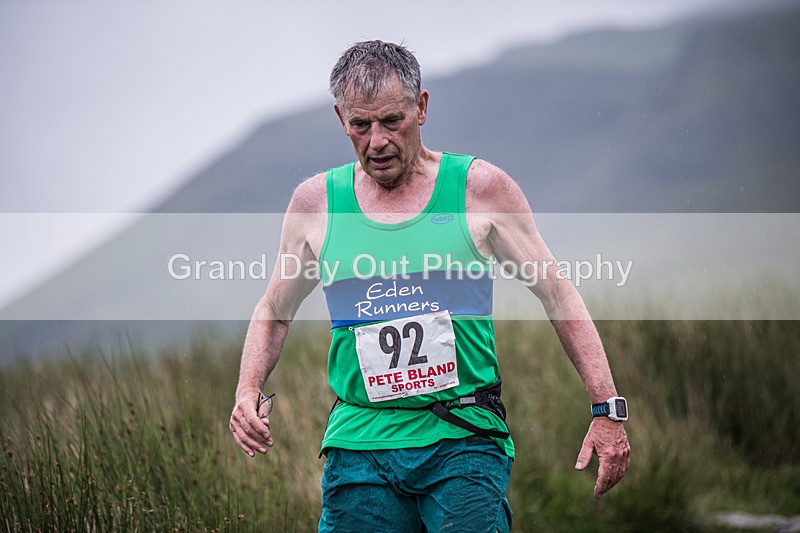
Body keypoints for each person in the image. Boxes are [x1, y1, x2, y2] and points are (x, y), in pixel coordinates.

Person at [229, 40, 630, 532]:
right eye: (360, 125)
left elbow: (557, 294)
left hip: (461, 438)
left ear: (421, 108)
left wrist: (607, 408)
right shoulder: (317, 204)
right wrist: (248, 390)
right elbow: (275, 308)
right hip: (359, 444)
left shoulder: (478, 189)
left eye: (391, 121)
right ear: (341, 119)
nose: (377, 141)